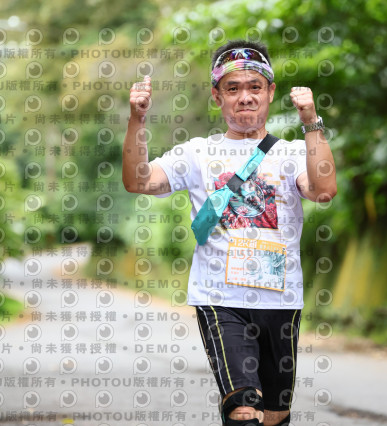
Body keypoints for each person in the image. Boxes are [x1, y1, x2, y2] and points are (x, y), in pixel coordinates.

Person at [122, 40, 337, 426]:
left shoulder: (290, 154)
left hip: (281, 299)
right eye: (233, 88)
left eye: (255, 87)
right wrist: (137, 121)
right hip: (219, 299)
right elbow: (138, 181)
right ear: (217, 96)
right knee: (243, 407)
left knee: (275, 415)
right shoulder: (196, 153)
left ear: (270, 92)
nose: (245, 97)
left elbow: (324, 190)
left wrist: (311, 121)